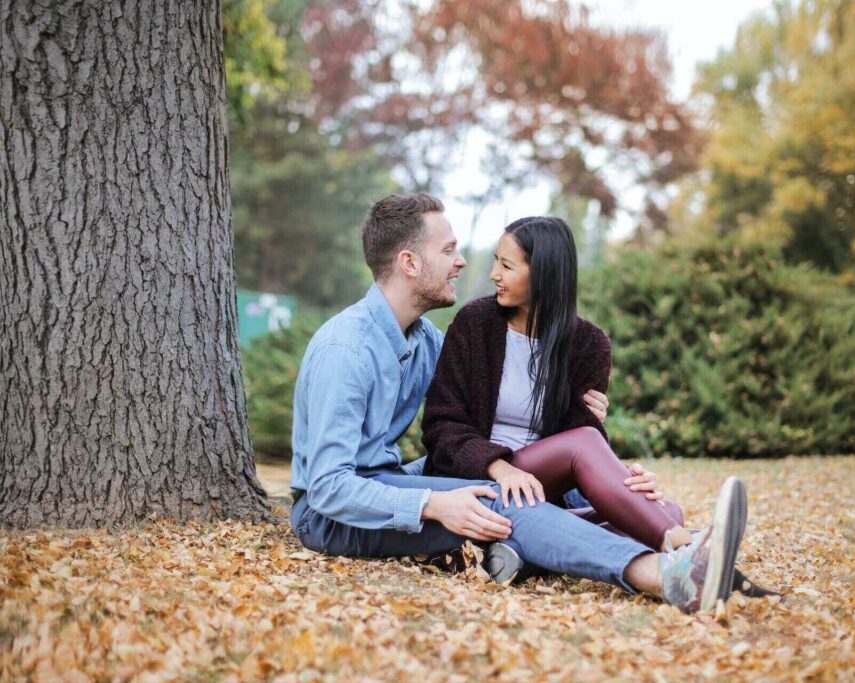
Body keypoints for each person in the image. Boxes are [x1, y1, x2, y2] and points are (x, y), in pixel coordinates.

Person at [289, 194, 749, 613]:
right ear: (409, 262)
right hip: (330, 515)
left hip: (390, 480)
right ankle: (665, 574)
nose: (463, 262)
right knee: (499, 499)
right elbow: (329, 487)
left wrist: (604, 455)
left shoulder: (425, 341)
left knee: (513, 498)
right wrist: (432, 504)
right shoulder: (345, 351)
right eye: (448, 251)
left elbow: (477, 404)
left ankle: (658, 539)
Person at [422, 216, 772, 596]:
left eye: (507, 265)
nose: (493, 274)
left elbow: (577, 438)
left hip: (542, 491)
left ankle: (519, 554)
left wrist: (625, 481)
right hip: (478, 477)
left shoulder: (589, 345)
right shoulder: (476, 323)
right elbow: (442, 424)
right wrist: (500, 467)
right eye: (496, 261)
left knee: (662, 506)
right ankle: (686, 546)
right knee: (619, 479)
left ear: (545, 273)